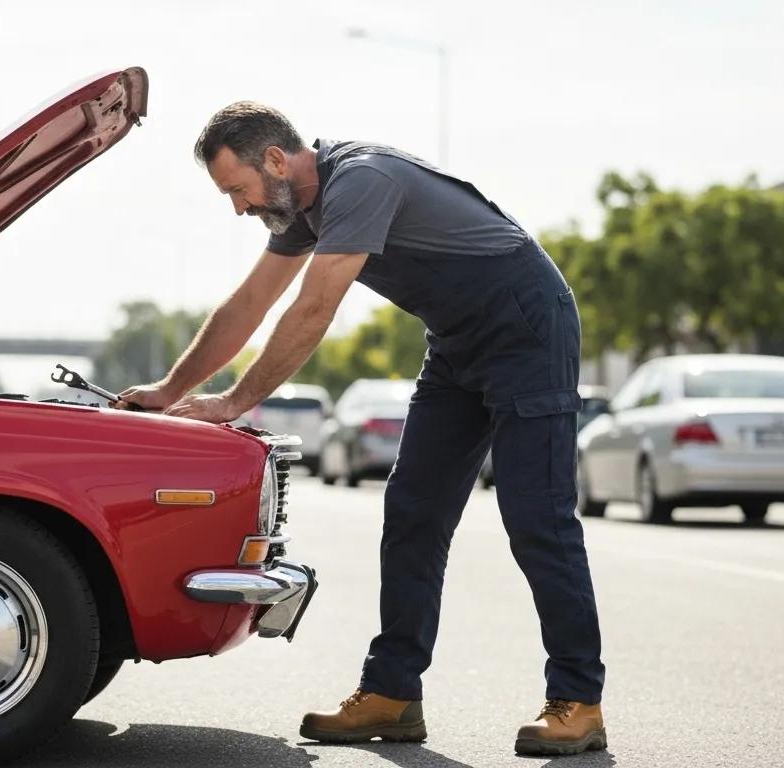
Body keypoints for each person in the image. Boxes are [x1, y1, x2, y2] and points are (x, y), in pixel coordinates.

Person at [117, 102, 606, 757]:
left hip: (528, 327)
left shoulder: (361, 181)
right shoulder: (300, 209)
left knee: (536, 517)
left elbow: (315, 307)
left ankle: (578, 699)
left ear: (273, 160)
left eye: (238, 190)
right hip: (459, 341)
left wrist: (235, 400)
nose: (238, 207)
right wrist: (171, 393)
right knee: (411, 514)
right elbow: (249, 305)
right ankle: (393, 693)